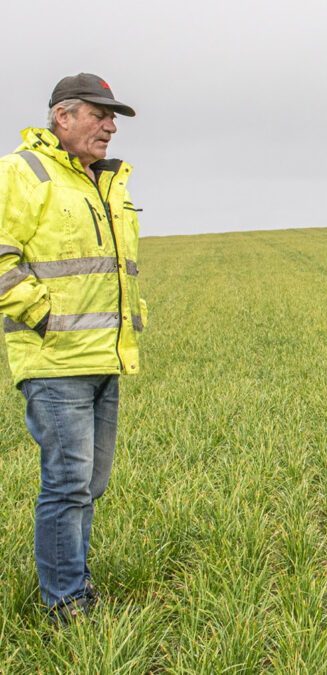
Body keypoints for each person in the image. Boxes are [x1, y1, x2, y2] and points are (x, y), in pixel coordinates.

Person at [0, 73, 146, 625]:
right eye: (99, 114)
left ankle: (74, 583)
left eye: (113, 118)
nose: (110, 126)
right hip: (56, 362)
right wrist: (45, 317)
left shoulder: (103, 182)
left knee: (89, 484)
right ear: (63, 117)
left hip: (104, 357)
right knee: (66, 484)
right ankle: (65, 604)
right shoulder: (22, 173)